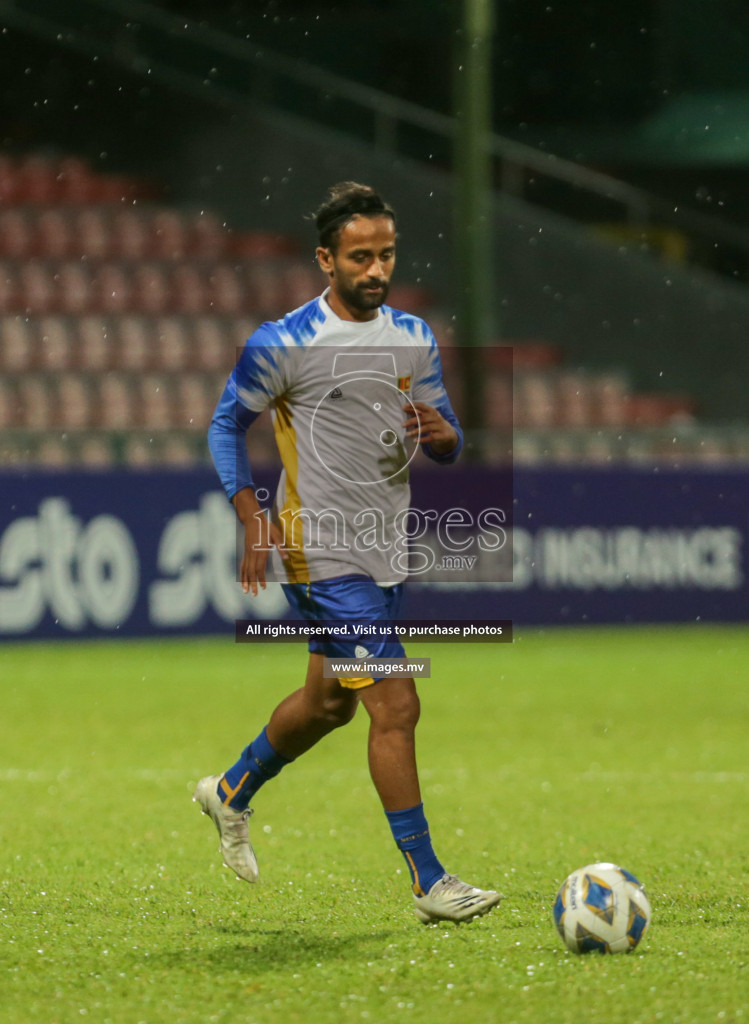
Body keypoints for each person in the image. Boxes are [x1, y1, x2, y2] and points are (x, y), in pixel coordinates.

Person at [194, 182, 501, 924]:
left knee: (330, 703)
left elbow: (451, 438)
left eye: (386, 254)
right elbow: (223, 425)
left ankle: (229, 791)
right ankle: (429, 881)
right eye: (359, 256)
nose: (376, 269)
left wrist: (442, 437)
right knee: (395, 701)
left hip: (384, 549)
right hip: (319, 552)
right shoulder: (285, 342)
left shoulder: (412, 337)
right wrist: (251, 515)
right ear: (325, 260)